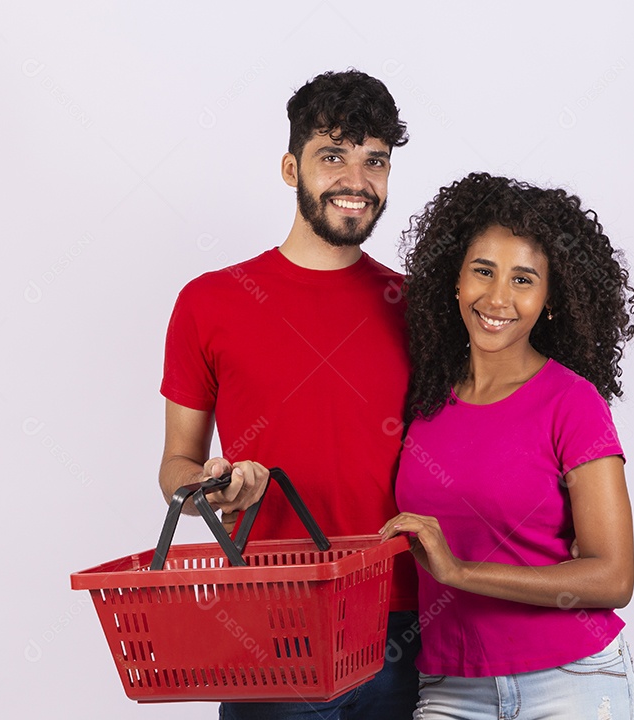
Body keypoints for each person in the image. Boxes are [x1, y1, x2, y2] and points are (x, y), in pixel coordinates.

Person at [159, 69, 419, 719]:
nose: (356, 180)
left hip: (403, 623)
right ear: (290, 167)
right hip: (272, 620)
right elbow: (176, 469)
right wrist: (212, 485)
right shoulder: (209, 303)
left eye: (375, 161)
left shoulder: (415, 307)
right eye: (333, 156)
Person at [381, 172, 634, 719]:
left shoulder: (572, 403)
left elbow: (614, 577)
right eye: (483, 271)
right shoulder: (424, 400)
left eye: (523, 279)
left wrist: (461, 573)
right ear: (455, 281)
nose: (497, 297)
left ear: (550, 301)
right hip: (451, 686)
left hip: (571, 680)